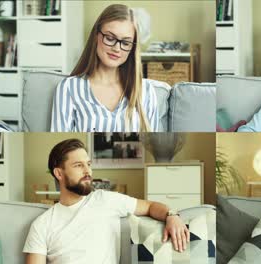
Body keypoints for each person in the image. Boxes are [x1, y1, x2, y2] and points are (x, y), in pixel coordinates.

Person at [23, 139, 188, 263]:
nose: (88, 171)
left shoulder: (106, 200)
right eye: (78, 165)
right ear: (59, 174)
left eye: (88, 164)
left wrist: (172, 215)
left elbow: (150, 206)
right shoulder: (42, 225)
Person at [51, 4, 159, 132]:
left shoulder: (146, 92)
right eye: (110, 38)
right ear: (96, 36)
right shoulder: (69, 88)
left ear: (132, 47)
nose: (116, 48)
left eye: (125, 42)